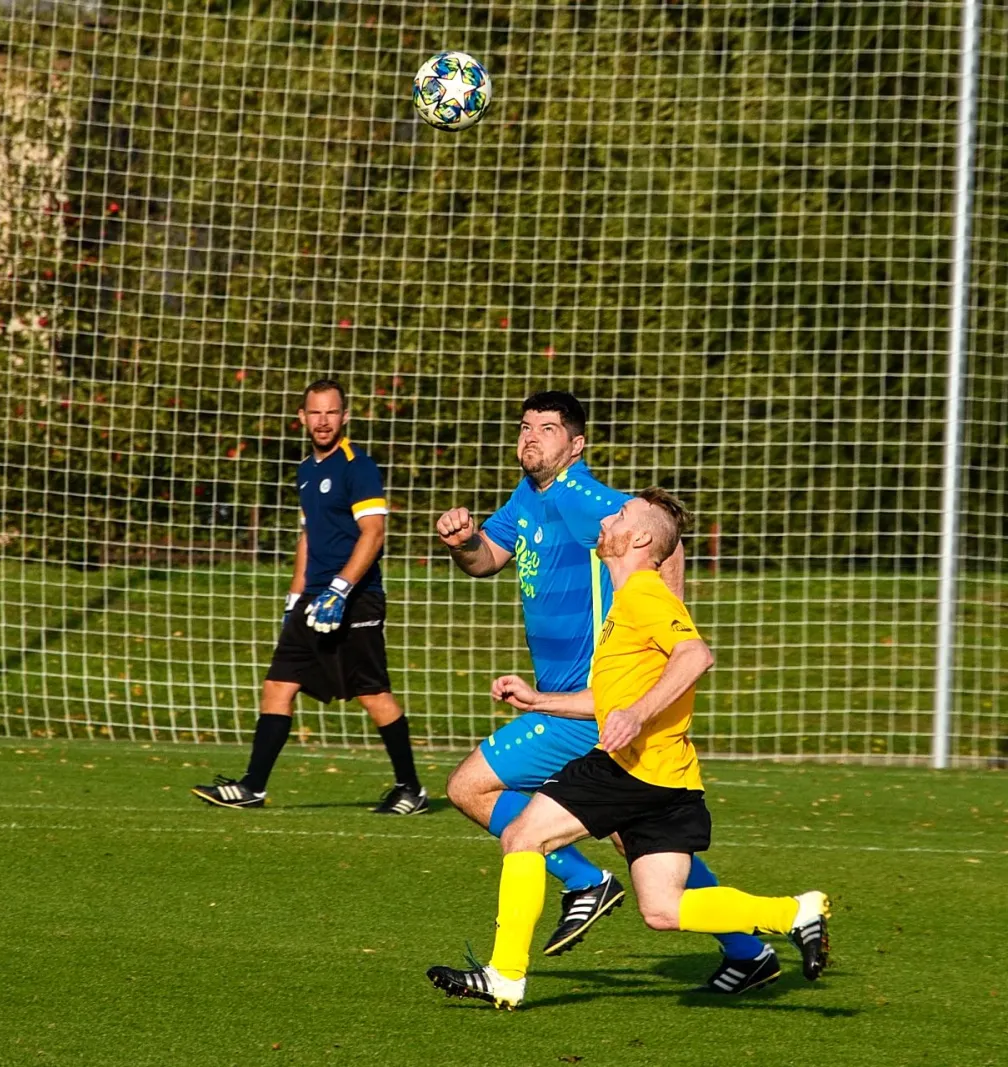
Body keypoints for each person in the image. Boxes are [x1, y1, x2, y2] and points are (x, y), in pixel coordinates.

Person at [426, 489, 831, 1009]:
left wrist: (636, 716)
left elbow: (695, 655)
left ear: (638, 538)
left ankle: (505, 975)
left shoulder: (643, 593)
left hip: (629, 768)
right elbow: (610, 700)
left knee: (524, 837)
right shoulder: (626, 604)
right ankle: (793, 914)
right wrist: (540, 700)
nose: (608, 519)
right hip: (669, 778)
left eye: (619, 515)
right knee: (662, 909)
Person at [192, 378, 426, 815]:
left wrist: (340, 589)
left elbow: (373, 534)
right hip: (313, 600)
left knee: (372, 693)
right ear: (302, 417)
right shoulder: (305, 470)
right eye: (315, 412)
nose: (323, 421)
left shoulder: (358, 467)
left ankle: (411, 789)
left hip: (356, 598)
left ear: (345, 416)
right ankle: (252, 787)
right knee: (278, 685)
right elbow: (308, 537)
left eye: (331, 412)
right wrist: (294, 599)